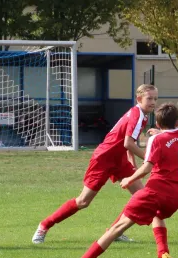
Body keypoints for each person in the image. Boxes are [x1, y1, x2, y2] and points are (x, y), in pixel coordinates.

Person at [62, 103, 178, 258]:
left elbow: (147, 167)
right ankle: (163, 254)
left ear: (157, 124)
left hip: (157, 191)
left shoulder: (156, 139)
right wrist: (161, 134)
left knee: (117, 227)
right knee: (156, 213)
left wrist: (129, 179)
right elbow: (171, 139)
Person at [32, 84, 165, 245]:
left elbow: (128, 143)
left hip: (119, 159)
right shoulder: (137, 115)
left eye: (155, 99)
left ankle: (114, 231)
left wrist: (133, 166)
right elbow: (128, 143)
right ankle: (44, 225)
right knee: (83, 201)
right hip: (103, 158)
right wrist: (149, 159)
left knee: (141, 196)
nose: (153, 102)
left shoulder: (141, 115)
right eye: (149, 98)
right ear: (139, 99)